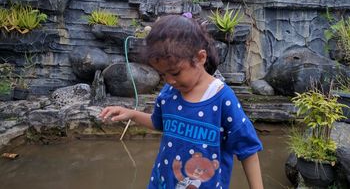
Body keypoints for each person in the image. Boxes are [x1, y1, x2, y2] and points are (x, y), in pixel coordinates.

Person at [99, 14, 264, 189]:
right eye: (163, 74)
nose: (169, 80)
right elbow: (159, 123)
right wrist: (131, 114)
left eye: (175, 73)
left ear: (200, 58)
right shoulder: (169, 93)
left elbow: (248, 149)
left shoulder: (222, 99)